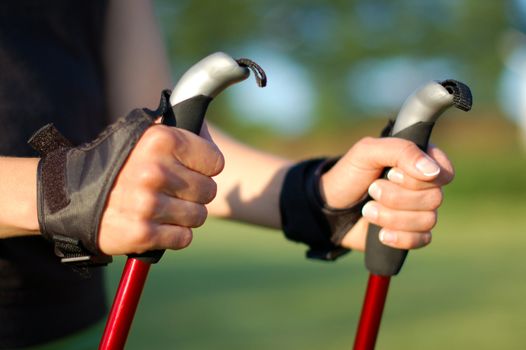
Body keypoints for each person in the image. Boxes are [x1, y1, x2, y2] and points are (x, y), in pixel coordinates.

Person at [0, 0, 454, 349]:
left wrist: (314, 196)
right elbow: (102, 175)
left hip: (70, 321)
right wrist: (59, 192)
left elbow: (159, 137)